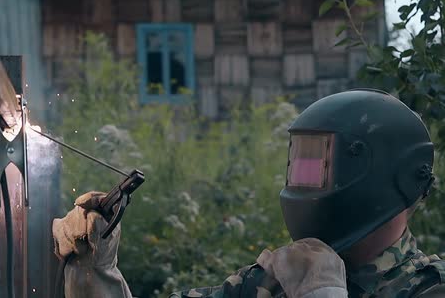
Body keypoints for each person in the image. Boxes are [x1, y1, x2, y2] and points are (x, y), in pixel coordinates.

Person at [51, 89, 445, 298]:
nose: (304, 184)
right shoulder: (271, 282)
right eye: (300, 166)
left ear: (380, 176)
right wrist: (95, 268)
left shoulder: (429, 289)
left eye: (318, 167)